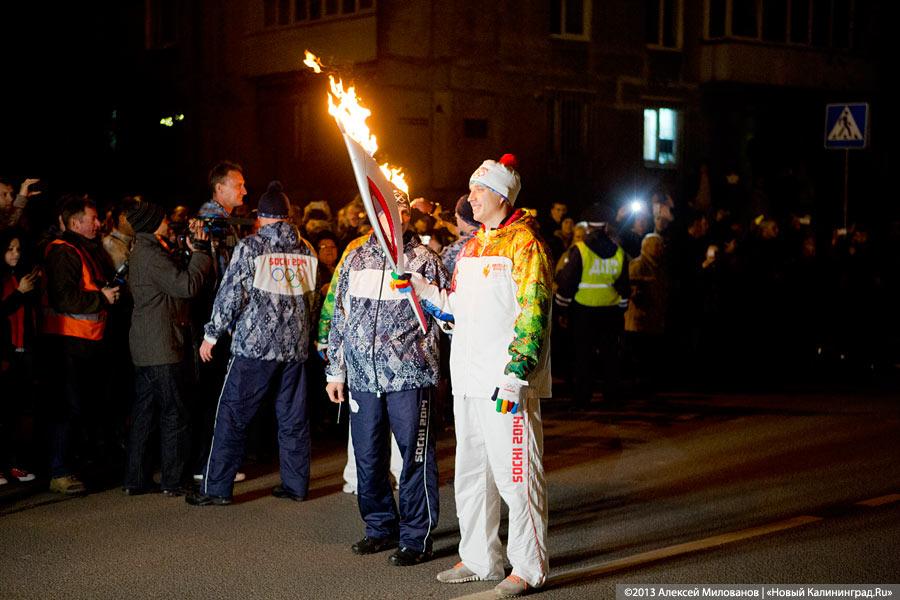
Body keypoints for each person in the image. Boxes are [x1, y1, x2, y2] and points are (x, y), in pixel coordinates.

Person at [406, 153, 553, 597]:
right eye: (470, 188)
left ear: (502, 195)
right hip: (467, 379)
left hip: (504, 382)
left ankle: (527, 567)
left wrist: (517, 372)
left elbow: (535, 312)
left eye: (478, 189)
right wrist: (421, 287)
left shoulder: (525, 244)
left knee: (516, 476)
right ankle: (480, 557)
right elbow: (455, 309)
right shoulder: (472, 246)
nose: (470, 196)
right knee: (471, 473)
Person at [325, 192, 449, 567]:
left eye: (405, 210)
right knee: (367, 456)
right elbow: (340, 317)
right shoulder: (356, 256)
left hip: (410, 374)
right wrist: (336, 370)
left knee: (414, 456)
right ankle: (380, 527)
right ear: (374, 211)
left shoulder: (425, 260)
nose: (399, 215)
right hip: (363, 374)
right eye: (390, 209)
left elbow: (446, 313)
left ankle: (416, 536)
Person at [187, 181, 317, 506]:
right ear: (288, 217)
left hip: (255, 348)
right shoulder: (306, 250)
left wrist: (211, 334)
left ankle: (216, 489)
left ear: (260, 216)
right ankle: (296, 486)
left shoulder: (252, 248)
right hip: (295, 348)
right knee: (293, 420)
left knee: (232, 415)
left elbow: (231, 293)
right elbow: (311, 299)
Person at [122, 202, 213, 496]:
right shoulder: (152, 255)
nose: (167, 222)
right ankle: (173, 481)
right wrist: (200, 255)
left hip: (146, 345)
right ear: (150, 223)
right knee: (175, 413)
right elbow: (185, 286)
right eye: (162, 219)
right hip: (162, 345)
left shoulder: (145, 251)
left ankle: (135, 479)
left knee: (145, 414)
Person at [42, 195, 120, 494]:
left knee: (80, 407)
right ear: (76, 223)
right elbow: (64, 297)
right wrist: (102, 298)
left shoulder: (83, 249)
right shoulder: (64, 252)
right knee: (66, 407)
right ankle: (59, 471)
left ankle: (72, 466)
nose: (99, 224)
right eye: (93, 219)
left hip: (86, 341)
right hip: (67, 343)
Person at [554, 203, 630, 408]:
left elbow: (568, 282)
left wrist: (562, 308)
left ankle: (583, 397)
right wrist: (621, 308)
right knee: (610, 355)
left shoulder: (580, 250)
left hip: (584, 310)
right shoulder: (619, 251)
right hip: (611, 311)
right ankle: (611, 396)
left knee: (583, 355)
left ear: (588, 227)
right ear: (606, 226)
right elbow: (624, 286)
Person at [1, 229, 40, 485]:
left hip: (24, 350)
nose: (15, 254)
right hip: (4, 351)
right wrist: (19, 293)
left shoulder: (22, 274)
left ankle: (14, 464)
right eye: (10, 249)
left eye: (18, 249)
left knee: (17, 412)